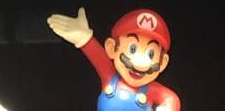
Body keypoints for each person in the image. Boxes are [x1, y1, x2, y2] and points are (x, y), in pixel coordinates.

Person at [47, 7, 180, 111]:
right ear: (111, 48)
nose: (140, 63)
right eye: (132, 49)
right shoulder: (110, 76)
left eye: (151, 54)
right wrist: (83, 37)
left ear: (162, 63)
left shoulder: (152, 91)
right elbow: (96, 54)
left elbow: (171, 98)